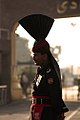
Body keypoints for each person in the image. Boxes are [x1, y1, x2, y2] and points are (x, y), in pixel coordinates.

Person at [29, 40, 69, 120]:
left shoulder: (50, 73)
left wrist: (59, 112)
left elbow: (54, 94)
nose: (33, 58)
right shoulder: (40, 71)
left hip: (46, 113)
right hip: (37, 110)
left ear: (44, 56)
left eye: (36, 55)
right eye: (33, 55)